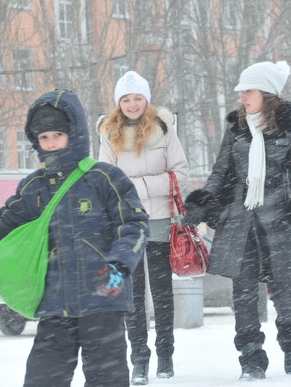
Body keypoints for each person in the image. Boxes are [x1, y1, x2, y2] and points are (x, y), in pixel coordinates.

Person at [0, 89, 149, 387]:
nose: (51, 143)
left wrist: (120, 264)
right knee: (43, 378)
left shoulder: (104, 177)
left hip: (103, 298)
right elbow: (4, 223)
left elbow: (134, 224)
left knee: (106, 378)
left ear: (75, 133)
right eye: (43, 137)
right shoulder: (35, 186)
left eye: (57, 134)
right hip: (55, 302)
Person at [183, 61, 291, 381]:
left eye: (249, 90)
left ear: (267, 93)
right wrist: (205, 200)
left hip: (277, 218)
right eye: (241, 91)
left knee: (283, 293)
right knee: (242, 295)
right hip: (240, 220)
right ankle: (251, 359)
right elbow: (221, 171)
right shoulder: (236, 128)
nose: (242, 96)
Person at [97, 71, 188, 384]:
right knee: (131, 297)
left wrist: (136, 186)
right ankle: (139, 360)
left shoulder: (164, 130)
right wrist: (141, 188)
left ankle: (166, 356)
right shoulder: (108, 134)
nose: (132, 104)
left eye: (137, 98)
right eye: (126, 99)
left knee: (162, 294)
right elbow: (106, 183)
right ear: (118, 103)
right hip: (127, 226)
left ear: (146, 100)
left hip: (161, 222)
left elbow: (180, 175)